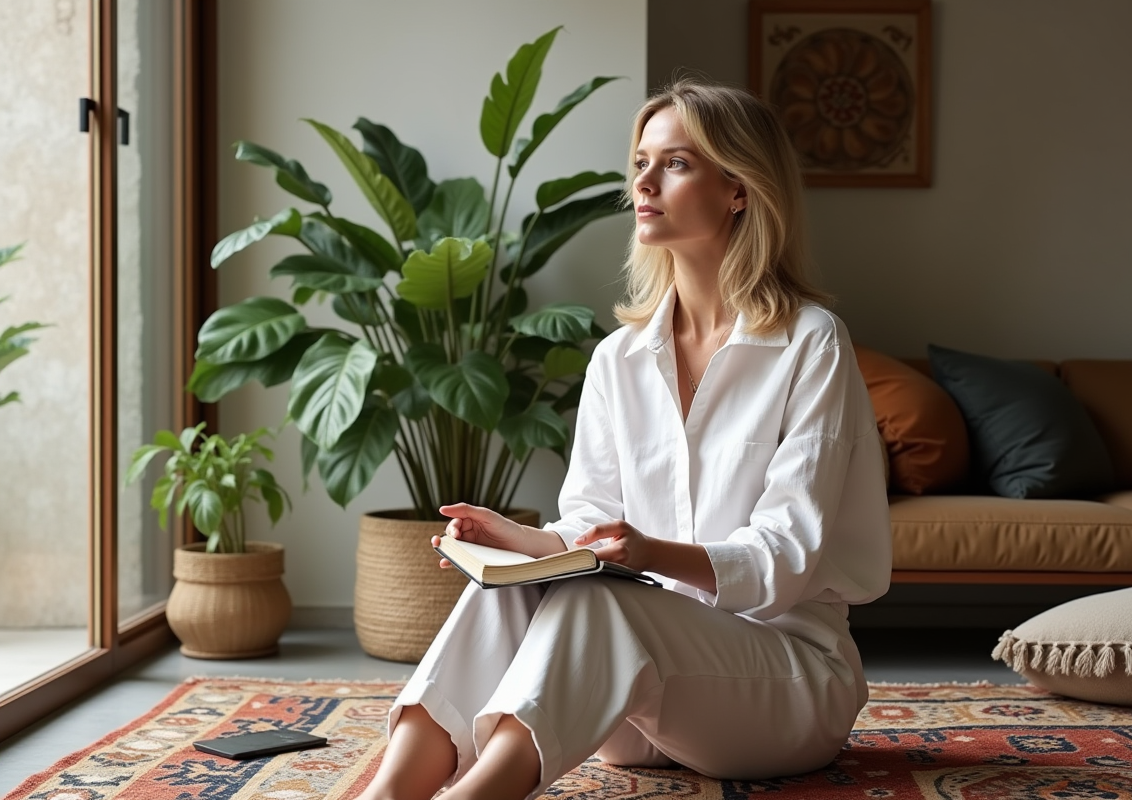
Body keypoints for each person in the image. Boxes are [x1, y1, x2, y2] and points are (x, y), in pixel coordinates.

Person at [354, 79, 892, 800]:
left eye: (676, 163)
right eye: (641, 162)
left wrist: (650, 553)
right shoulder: (619, 357)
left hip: (782, 683)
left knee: (601, 605)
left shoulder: (810, 343)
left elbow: (785, 557)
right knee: (506, 590)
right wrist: (524, 542)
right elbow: (592, 519)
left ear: (738, 189)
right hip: (635, 703)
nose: (643, 181)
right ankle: (387, 793)